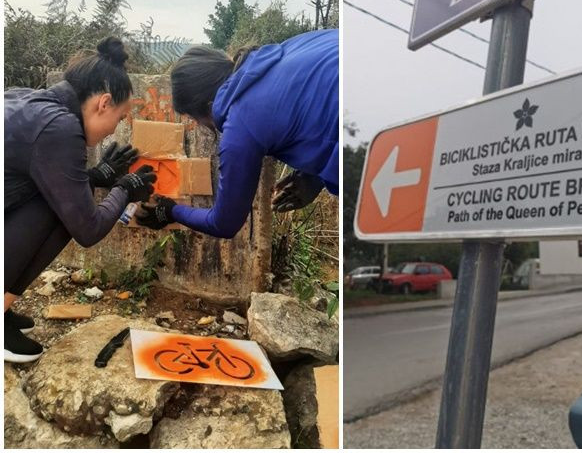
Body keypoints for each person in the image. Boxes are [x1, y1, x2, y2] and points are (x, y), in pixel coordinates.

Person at [4, 37, 157, 363]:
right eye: (119, 118)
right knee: (66, 210)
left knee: (63, 202)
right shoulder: (60, 127)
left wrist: (97, 176)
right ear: (104, 103)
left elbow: (47, 182)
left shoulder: (28, 101)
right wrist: (125, 188)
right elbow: (88, 230)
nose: (113, 130)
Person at [136, 29, 339, 237]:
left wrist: (170, 211)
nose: (201, 126)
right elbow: (323, 101)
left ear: (208, 106)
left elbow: (224, 224)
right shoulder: (289, 48)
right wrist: (312, 176)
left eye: (196, 120)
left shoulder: (241, 122)